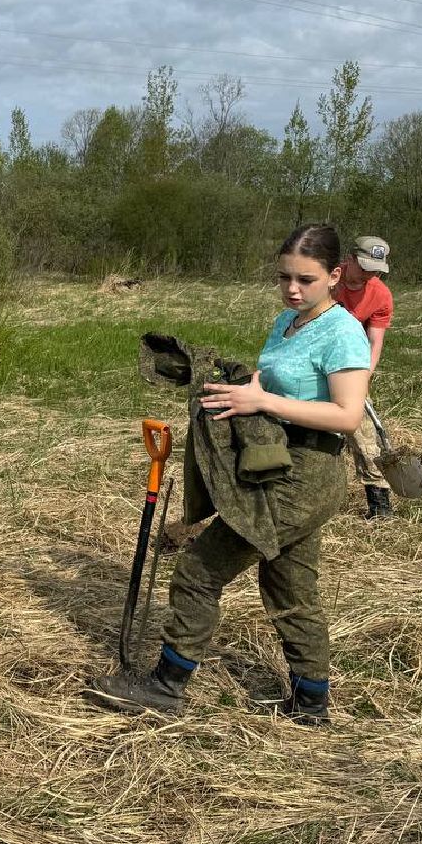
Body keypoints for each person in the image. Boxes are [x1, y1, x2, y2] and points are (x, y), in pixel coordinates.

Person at [89, 224, 370, 725]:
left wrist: (262, 401)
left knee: (199, 571)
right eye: (284, 277)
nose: (291, 288)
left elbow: (348, 416)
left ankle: (166, 685)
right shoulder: (289, 321)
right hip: (275, 464)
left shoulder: (344, 331)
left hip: (306, 475)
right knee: (291, 588)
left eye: (305, 279)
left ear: (335, 274)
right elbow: (280, 385)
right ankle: (312, 704)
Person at [333, 236, 395, 519]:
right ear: (351, 258)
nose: (371, 273)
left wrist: (364, 377)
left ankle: (380, 507)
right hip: (308, 357)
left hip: (349, 365)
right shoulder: (327, 279)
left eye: (377, 268)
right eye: (366, 266)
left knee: (364, 433)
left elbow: (375, 342)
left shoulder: (381, 295)